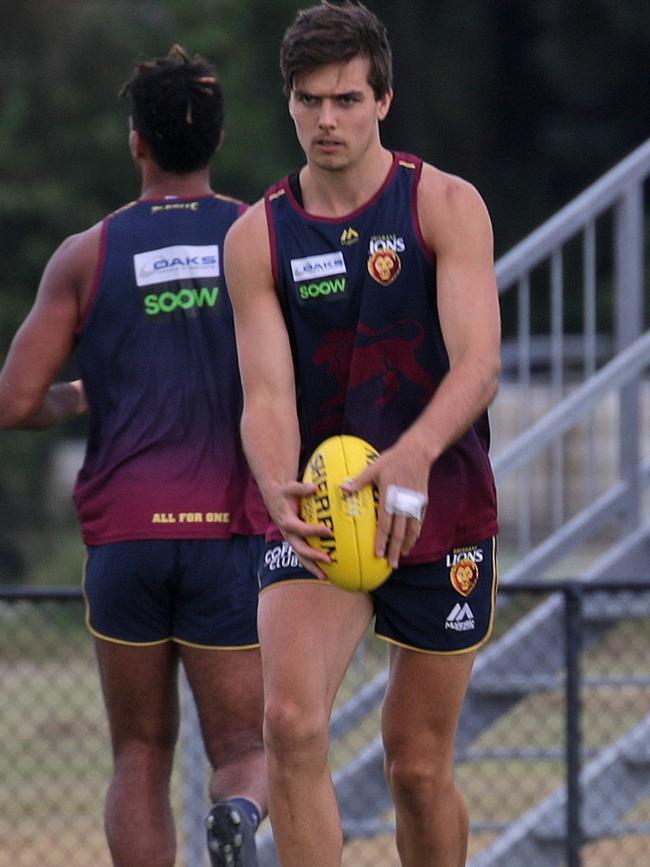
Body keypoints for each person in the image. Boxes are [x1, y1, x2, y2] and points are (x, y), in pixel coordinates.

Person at [224, 3, 501, 866]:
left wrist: (415, 452)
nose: (326, 120)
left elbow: (479, 364)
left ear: (384, 98)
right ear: (290, 103)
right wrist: (274, 479)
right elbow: (265, 396)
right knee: (290, 722)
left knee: (415, 769)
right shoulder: (256, 236)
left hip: (436, 506)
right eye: (309, 101)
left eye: (346, 99)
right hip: (321, 505)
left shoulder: (446, 205)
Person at [0, 45, 267, 867]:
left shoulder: (87, 255)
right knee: (242, 752)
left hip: (125, 539)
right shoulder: (257, 235)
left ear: (135, 143)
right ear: (215, 140)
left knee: (140, 755)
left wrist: (79, 395)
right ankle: (238, 818)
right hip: (226, 531)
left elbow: (13, 400)